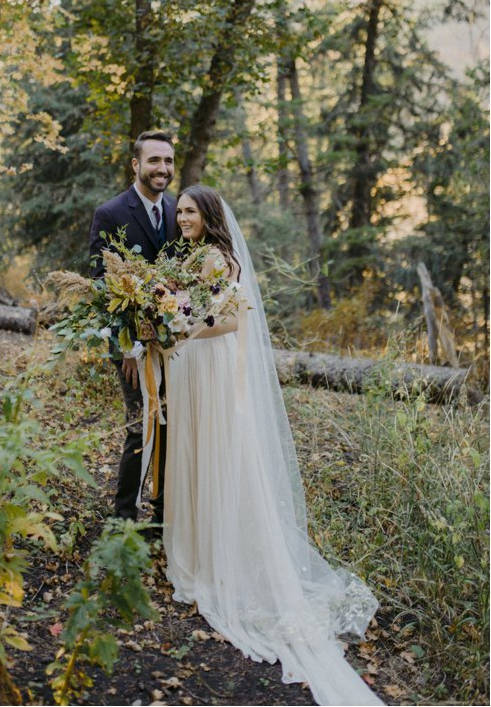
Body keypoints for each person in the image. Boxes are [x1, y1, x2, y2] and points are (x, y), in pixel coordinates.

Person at [164, 185, 383, 707]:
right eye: (179, 211)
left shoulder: (217, 258)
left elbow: (232, 321)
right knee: (200, 454)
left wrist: (181, 325)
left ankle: (215, 558)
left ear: (209, 215)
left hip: (207, 366)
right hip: (193, 367)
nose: (182, 217)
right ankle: (200, 547)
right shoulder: (197, 256)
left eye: (190, 210)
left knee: (213, 455)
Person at [89, 131, 177, 529]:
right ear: (136, 165)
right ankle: (125, 516)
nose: (163, 169)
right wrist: (127, 346)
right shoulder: (110, 213)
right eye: (155, 160)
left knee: (173, 424)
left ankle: (162, 514)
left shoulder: (180, 210)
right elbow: (101, 285)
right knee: (141, 424)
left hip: (175, 343)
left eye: (169, 161)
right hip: (132, 347)